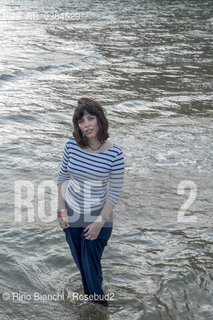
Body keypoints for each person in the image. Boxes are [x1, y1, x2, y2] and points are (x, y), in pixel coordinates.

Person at [56, 97, 125, 307]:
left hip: (99, 216)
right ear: (77, 125)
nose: (86, 124)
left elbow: (114, 192)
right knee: (82, 266)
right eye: (81, 121)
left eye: (90, 118)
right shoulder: (71, 145)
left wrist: (99, 223)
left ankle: (101, 309)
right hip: (72, 213)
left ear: (99, 120)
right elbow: (62, 178)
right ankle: (88, 308)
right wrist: (61, 211)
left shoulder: (115, 153)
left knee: (91, 270)